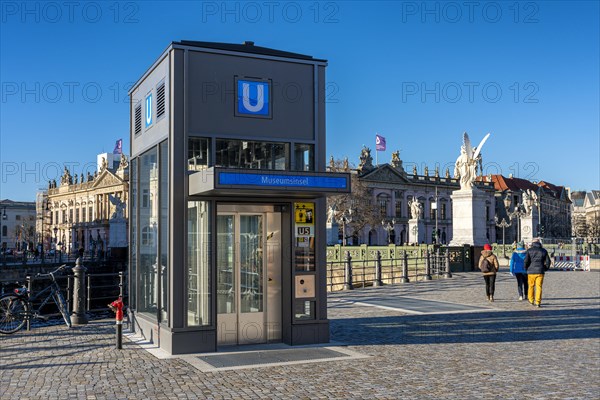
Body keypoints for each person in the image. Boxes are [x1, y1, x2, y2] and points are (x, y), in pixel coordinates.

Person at [524, 238, 551, 307]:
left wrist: (526, 268)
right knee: (539, 287)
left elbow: (526, 261)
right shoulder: (544, 251)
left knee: (531, 286)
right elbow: (548, 262)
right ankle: (538, 302)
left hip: (530, 271)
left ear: (532, 243)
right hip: (540, 271)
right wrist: (545, 268)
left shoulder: (529, 250)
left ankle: (531, 299)